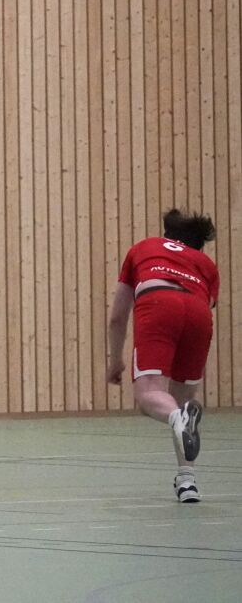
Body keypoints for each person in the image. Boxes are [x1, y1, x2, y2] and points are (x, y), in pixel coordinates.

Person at [106, 208, 219, 503]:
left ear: (167, 235)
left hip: (159, 303)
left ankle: (177, 419)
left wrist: (115, 359)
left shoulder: (144, 248)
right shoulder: (204, 263)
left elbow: (118, 316)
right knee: (180, 403)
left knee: (150, 397)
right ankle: (187, 482)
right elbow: (203, 303)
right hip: (199, 313)